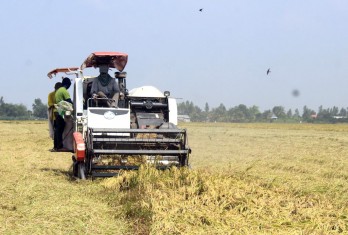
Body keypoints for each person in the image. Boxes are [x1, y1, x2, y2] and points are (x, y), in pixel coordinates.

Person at [52, 77, 73, 152]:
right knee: (60, 129)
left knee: (57, 129)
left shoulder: (58, 91)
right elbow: (69, 101)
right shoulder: (64, 91)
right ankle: (59, 146)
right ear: (68, 84)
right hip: (60, 112)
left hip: (56, 111)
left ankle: (56, 146)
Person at [48, 82, 62, 147]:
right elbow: (50, 104)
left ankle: (59, 145)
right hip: (55, 116)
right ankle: (56, 145)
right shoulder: (51, 95)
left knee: (59, 131)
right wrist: (56, 105)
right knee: (56, 131)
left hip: (62, 115)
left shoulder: (62, 94)